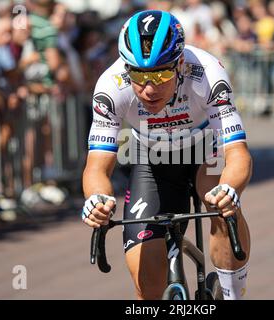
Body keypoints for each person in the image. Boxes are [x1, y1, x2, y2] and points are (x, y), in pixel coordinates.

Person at [81, 10, 252, 300]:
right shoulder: (111, 86)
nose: (148, 88)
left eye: (160, 74)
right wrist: (96, 200)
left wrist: (229, 189)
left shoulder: (208, 74)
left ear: (180, 63)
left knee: (221, 205)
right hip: (151, 156)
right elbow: (97, 167)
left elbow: (236, 153)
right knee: (147, 288)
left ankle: (232, 295)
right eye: (139, 74)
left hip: (204, 148)